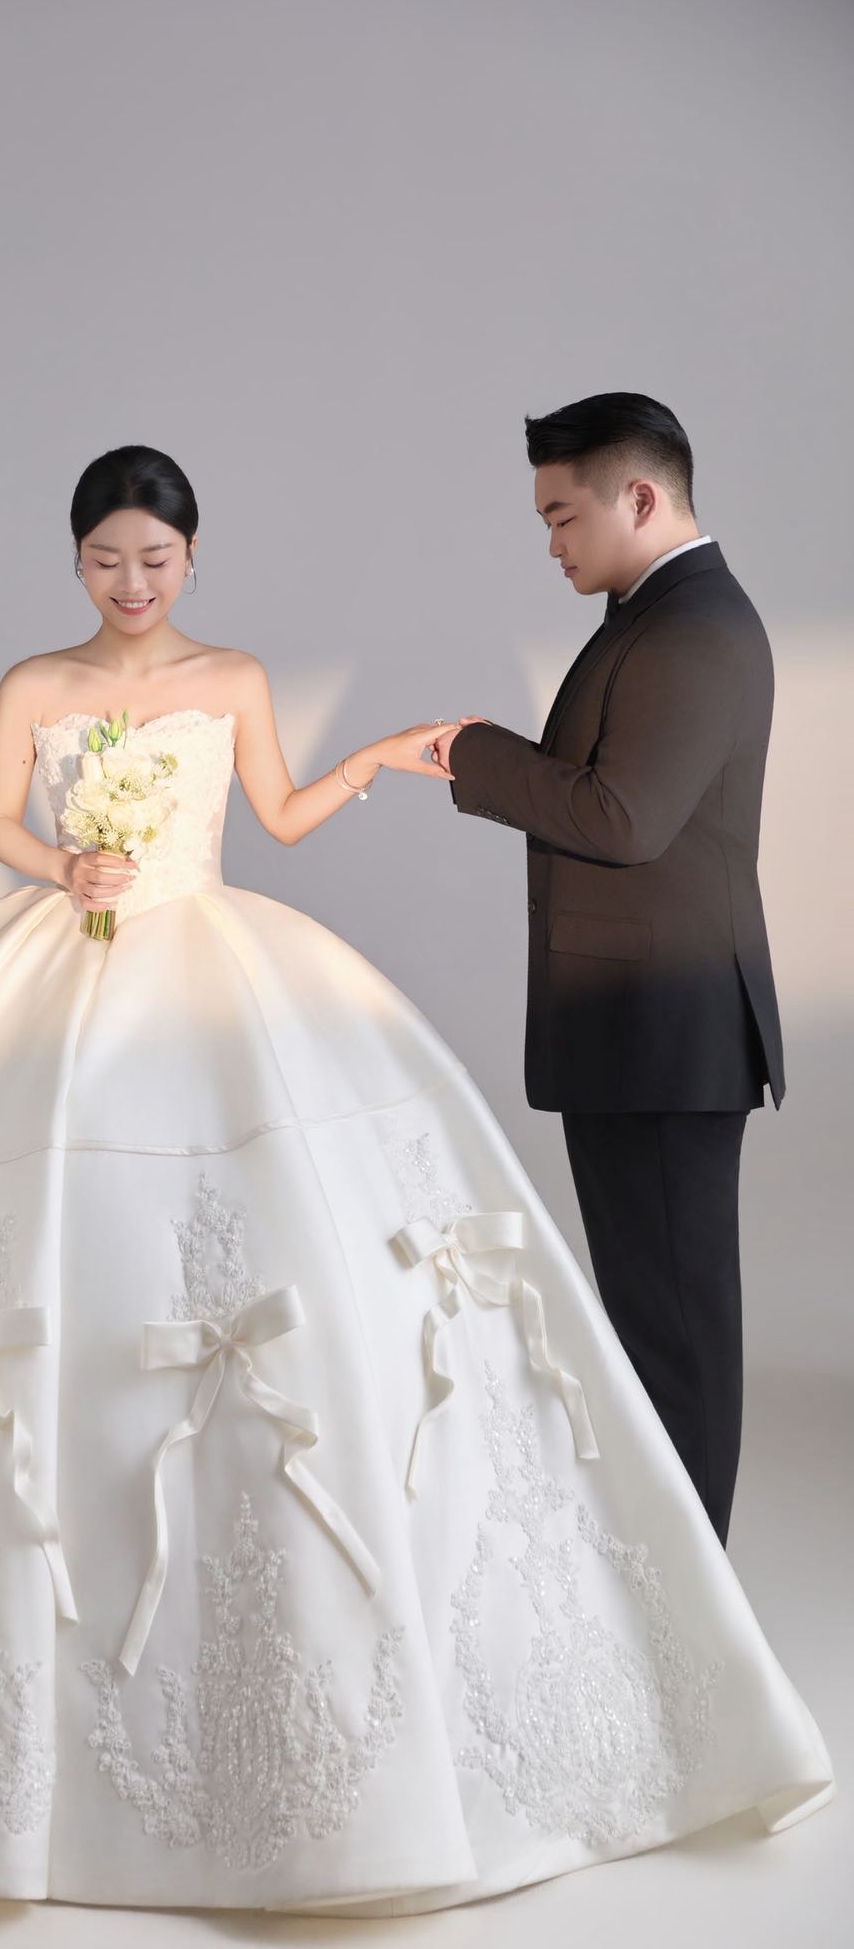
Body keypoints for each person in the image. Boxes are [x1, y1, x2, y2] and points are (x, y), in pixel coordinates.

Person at [0, 444, 830, 1915]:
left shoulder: (231, 677)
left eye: (155, 560)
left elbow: (277, 815)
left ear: (190, 559)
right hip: (59, 960)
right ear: (77, 562)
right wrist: (61, 868)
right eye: (106, 560)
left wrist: (374, 764)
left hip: (214, 956)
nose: (131, 583)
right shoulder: (33, 685)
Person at [424, 393, 779, 1549]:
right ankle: (667, 1577)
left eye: (559, 515)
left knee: (675, 1333)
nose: (549, 543)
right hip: (633, 1033)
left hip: (667, 1032)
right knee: (647, 1325)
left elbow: (623, 818)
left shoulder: (692, 627)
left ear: (637, 496)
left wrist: (473, 755)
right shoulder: (651, 614)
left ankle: (693, 1590)